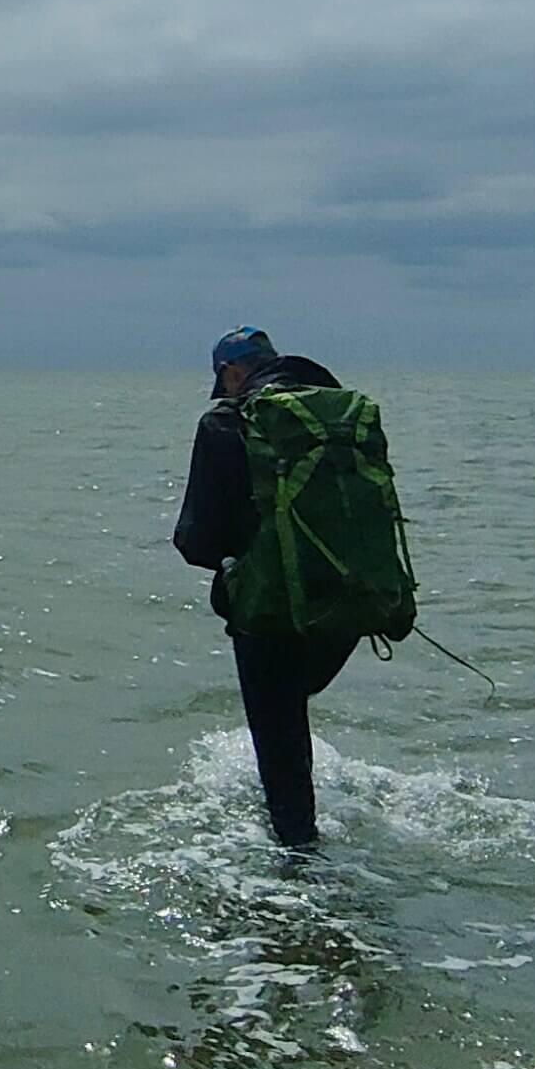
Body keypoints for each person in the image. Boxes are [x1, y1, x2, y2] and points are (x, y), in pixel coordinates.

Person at [173, 325, 353, 850]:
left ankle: (300, 866)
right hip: (348, 600)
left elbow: (197, 540)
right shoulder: (337, 411)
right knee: (294, 708)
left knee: (279, 741)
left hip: (270, 607)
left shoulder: (227, 423)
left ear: (231, 372)